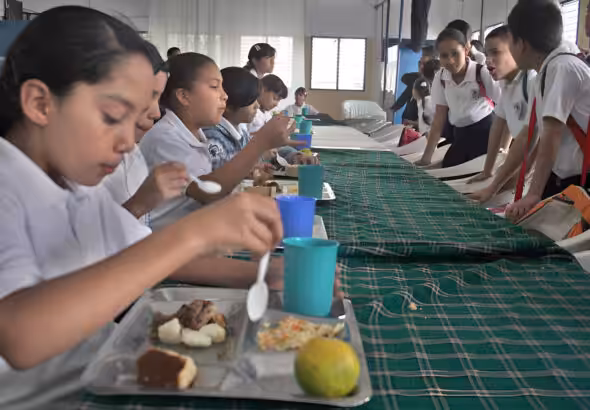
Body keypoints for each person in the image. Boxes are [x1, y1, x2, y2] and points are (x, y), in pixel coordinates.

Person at [0, 6, 284, 408]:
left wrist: (263, 273)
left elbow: (146, 253)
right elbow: (21, 336)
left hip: (102, 374)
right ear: (40, 104)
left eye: (136, 121)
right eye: (113, 116)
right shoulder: (8, 183)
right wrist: (194, 233)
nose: (129, 142)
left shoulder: (77, 182)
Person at [140, 54, 296, 229]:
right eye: (215, 87)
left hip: (195, 233)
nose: (225, 96)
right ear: (184, 96)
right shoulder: (166, 138)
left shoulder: (196, 133)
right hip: (167, 243)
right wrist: (260, 143)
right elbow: (209, 192)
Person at [503, 0, 590, 220]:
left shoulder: (561, 68)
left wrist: (533, 194)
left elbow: (552, 137)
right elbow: (538, 139)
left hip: (580, 183)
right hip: (562, 177)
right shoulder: (546, 72)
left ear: (521, 43)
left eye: (508, 42)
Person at [100, 42, 188, 225]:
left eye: (158, 98)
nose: (156, 113)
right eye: (147, 97)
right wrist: (139, 205)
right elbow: (83, 246)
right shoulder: (78, 167)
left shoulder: (132, 151)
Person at [467, 25, 537, 202]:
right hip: (524, 159)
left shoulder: (532, 82)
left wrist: (495, 186)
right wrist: (487, 170)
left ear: (516, 50)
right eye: (487, 54)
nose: (489, 60)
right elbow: (498, 126)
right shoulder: (506, 84)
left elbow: (532, 139)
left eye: (496, 53)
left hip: (543, 166)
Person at [416, 28, 501, 168]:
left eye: (455, 53)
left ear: (466, 50)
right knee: (449, 170)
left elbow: (504, 108)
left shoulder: (481, 73)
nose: (450, 60)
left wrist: (503, 147)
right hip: (460, 134)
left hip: (486, 133)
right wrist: (426, 157)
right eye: (444, 55)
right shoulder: (441, 78)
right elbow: (439, 119)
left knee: (475, 174)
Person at [391, 46, 437, 124]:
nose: (421, 67)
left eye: (425, 64)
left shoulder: (437, 82)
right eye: (420, 63)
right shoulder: (415, 79)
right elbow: (404, 80)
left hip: (423, 123)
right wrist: (393, 109)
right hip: (407, 120)